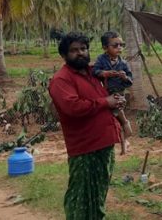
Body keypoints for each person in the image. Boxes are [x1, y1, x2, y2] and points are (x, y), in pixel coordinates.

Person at [49, 32, 124, 220]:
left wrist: (116, 100)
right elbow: (72, 107)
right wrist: (105, 102)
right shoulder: (62, 79)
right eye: (74, 50)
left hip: (104, 145)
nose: (80, 53)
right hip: (84, 149)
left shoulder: (94, 73)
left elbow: (105, 97)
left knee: (98, 195)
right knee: (80, 197)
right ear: (64, 55)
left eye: (83, 49)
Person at [93, 31, 133, 154]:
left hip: (118, 95)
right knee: (118, 120)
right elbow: (95, 72)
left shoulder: (124, 63)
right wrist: (104, 73)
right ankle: (123, 143)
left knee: (119, 117)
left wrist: (124, 77)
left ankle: (125, 141)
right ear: (105, 47)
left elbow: (130, 81)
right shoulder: (101, 59)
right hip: (105, 95)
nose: (119, 48)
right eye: (115, 45)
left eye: (121, 45)